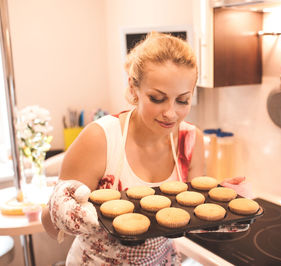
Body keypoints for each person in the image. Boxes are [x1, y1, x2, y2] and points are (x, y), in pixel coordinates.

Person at [41, 32, 248, 265]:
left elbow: (191, 217)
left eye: (182, 100)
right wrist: (60, 211)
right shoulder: (100, 139)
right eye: (157, 98)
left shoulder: (190, 140)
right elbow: (48, 226)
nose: (171, 113)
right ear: (133, 88)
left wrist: (226, 207)